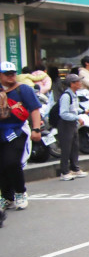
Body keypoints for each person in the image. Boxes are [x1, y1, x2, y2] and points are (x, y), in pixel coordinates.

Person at [0, 61, 42, 210]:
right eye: (7, 74)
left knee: (11, 161)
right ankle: (7, 196)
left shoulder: (23, 89)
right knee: (2, 165)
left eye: (13, 73)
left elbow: (35, 109)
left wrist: (36, 129)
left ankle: (20, 192)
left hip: (17, 130)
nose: (11, 76)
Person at [57, 74, 89, 181]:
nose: (80, 83)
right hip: (65, 125)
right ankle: (64, 171)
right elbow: (63, 113)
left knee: (74, 147)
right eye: (78, 81)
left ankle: (75, 168)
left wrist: (83, 111)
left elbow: (74, 108)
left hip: (72, 124)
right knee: (66, 149)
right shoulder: (66, 96)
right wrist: (77, 117)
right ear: (72, 84)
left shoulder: (74, 95)